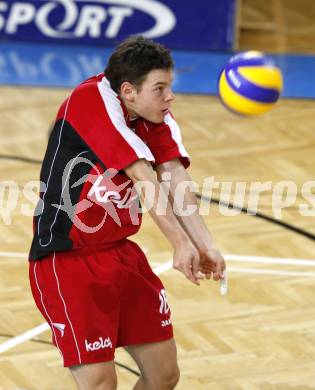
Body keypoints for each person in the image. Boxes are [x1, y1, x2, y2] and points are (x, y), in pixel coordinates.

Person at [28, 36, 226, 390]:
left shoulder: (153, 114)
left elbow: (174, 174)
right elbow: (142, 175)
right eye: (160, 88)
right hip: (68, 262)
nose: (170, 97)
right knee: (101, 383)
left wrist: (204, 244)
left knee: (164, 375)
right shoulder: (91, 100)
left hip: (121, 255)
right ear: (128, 91)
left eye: (170, 87)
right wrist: (180, 243)